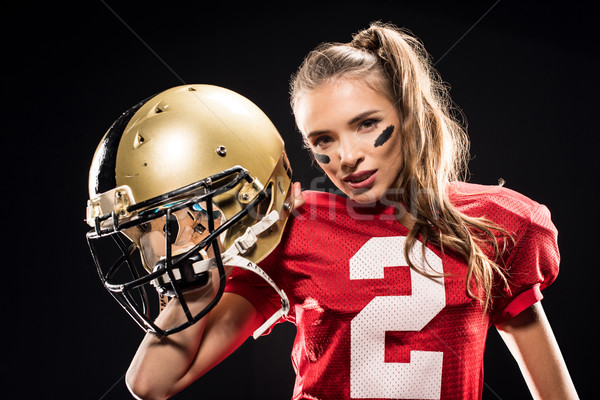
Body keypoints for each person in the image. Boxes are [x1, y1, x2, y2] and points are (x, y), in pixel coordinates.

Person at [91, 22, 578, 400]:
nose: (346, 157)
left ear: (408, 116)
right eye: (323, 140)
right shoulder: (292, 229)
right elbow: (151, 382)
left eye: (367, 124)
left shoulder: (496, 222)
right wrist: (198, 274)